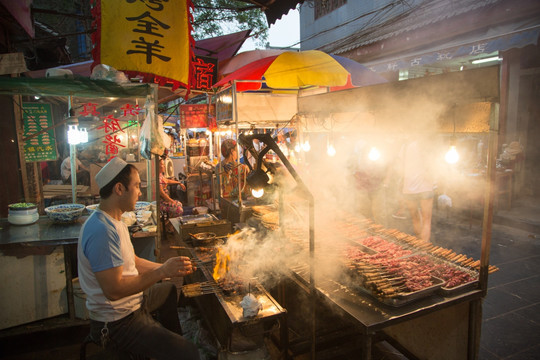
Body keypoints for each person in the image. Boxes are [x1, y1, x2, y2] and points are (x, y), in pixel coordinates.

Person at [77, 157, 200, 360]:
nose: (140, 192)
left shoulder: (116, 221)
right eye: (136, 186)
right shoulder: (102, 231)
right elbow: (114, 291)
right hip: (117, 321)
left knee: (168, 290)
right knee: (189, 352)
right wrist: (162, 271)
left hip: (132, 303)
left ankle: (169, 344)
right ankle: (175, 348)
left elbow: (132, 261)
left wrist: (169, 268)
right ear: (119, 189)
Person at [398, 138, 436, 242]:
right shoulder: (423, 144)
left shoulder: (404, 147)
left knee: (415, 218)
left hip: (409, 187)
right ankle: (424, 248)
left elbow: (400, 168)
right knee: (426, 220)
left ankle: (419, 243)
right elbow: (430, 164)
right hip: (425, 187)